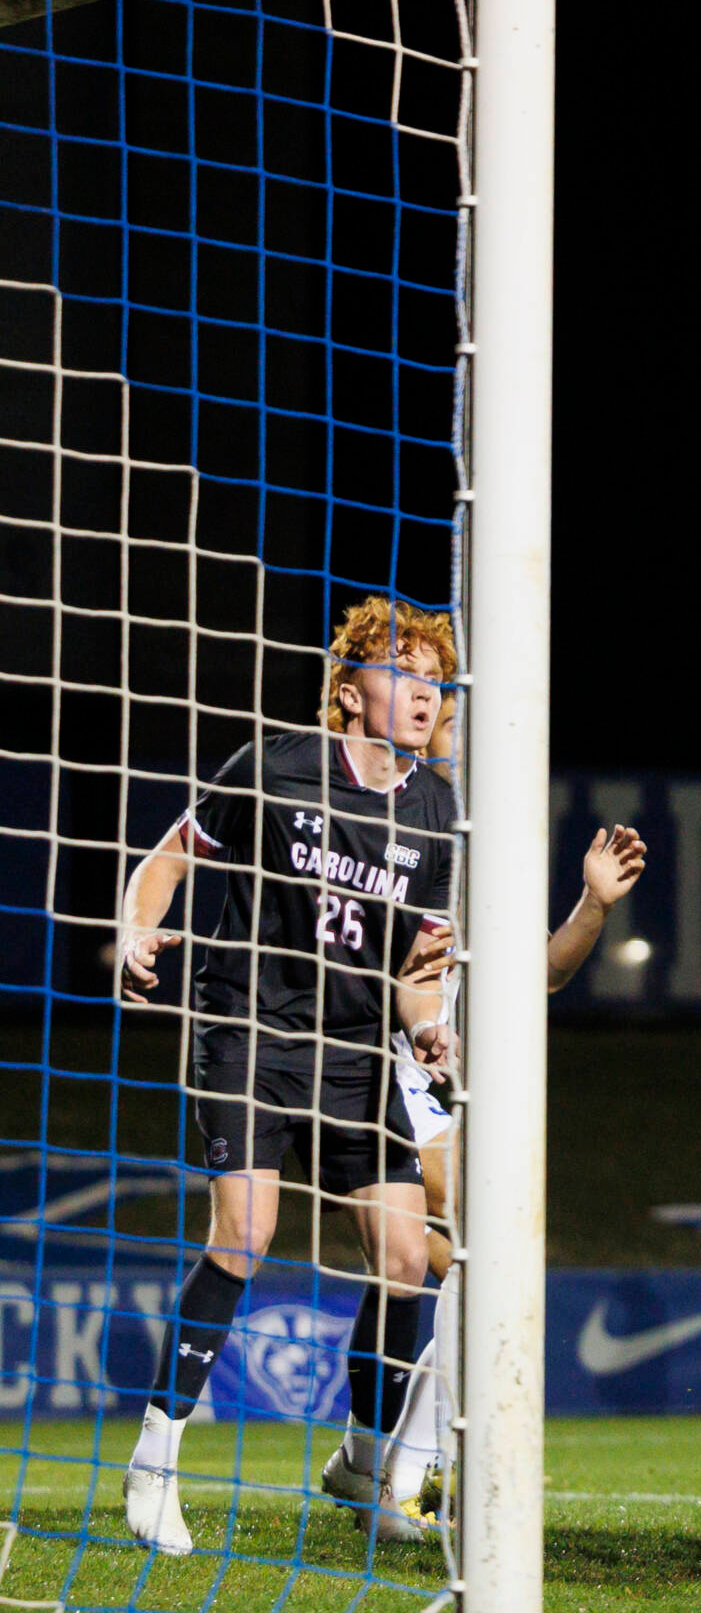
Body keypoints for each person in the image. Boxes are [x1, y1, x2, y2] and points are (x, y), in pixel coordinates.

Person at [114, 596, 462, 1556]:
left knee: (403, 1259)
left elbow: (413, 976)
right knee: (247, 1232)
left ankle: (359, 1459)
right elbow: (170, 858)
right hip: (250, 1033)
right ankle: (156, 1461)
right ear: (350, 694)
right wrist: (138, 929)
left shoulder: (436, 809)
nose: (426, 692)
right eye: (404, 672)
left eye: (435, 678)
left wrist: (429, 1034)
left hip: (353, 1052)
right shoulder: (275, 767)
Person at [391, 819, 648, 1524]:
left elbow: (545, 970)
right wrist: (422, 1028)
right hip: (376, 1084)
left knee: (471, 1280)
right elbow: (400, 977)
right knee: (481, 1254)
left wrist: (593, 905)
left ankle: (396, 1475)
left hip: (430, 1098)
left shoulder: (465, 859)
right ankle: (443, 1471)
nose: (436, 716)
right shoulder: (393, 836)